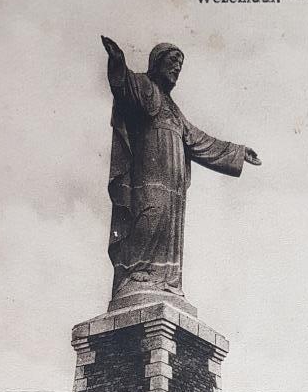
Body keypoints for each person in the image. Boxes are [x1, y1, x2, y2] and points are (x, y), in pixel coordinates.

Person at [102, 36, 261, 303]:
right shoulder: (145, 87)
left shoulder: (175, 112)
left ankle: (163, 281)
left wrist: (238, 152)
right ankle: (137, 274)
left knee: (167, 226)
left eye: (180, 65)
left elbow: (199, 140)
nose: (177, 68)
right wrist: (117, 62)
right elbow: (124, 85)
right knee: (149, 215)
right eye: (172, 61)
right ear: (157, 62)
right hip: (149, 175)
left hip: (173, 183)